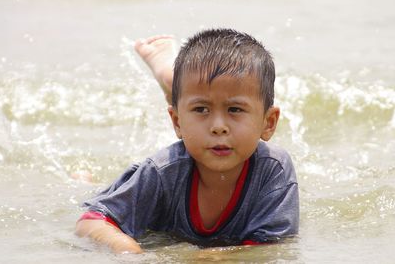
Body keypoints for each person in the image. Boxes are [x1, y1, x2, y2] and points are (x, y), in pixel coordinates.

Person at [75, 28, 299, 254]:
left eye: (235, 109)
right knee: (90, 193)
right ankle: (84, 183)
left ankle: (175, 85)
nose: (218, 126)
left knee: (203, 91)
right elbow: (91, 221)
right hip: (143, 183)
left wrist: (211, 257)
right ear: (177, 122)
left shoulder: (273, 170)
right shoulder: (162, 171)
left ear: (269, 123)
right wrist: (129, 251)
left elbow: (268, 250)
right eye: (202, 109)